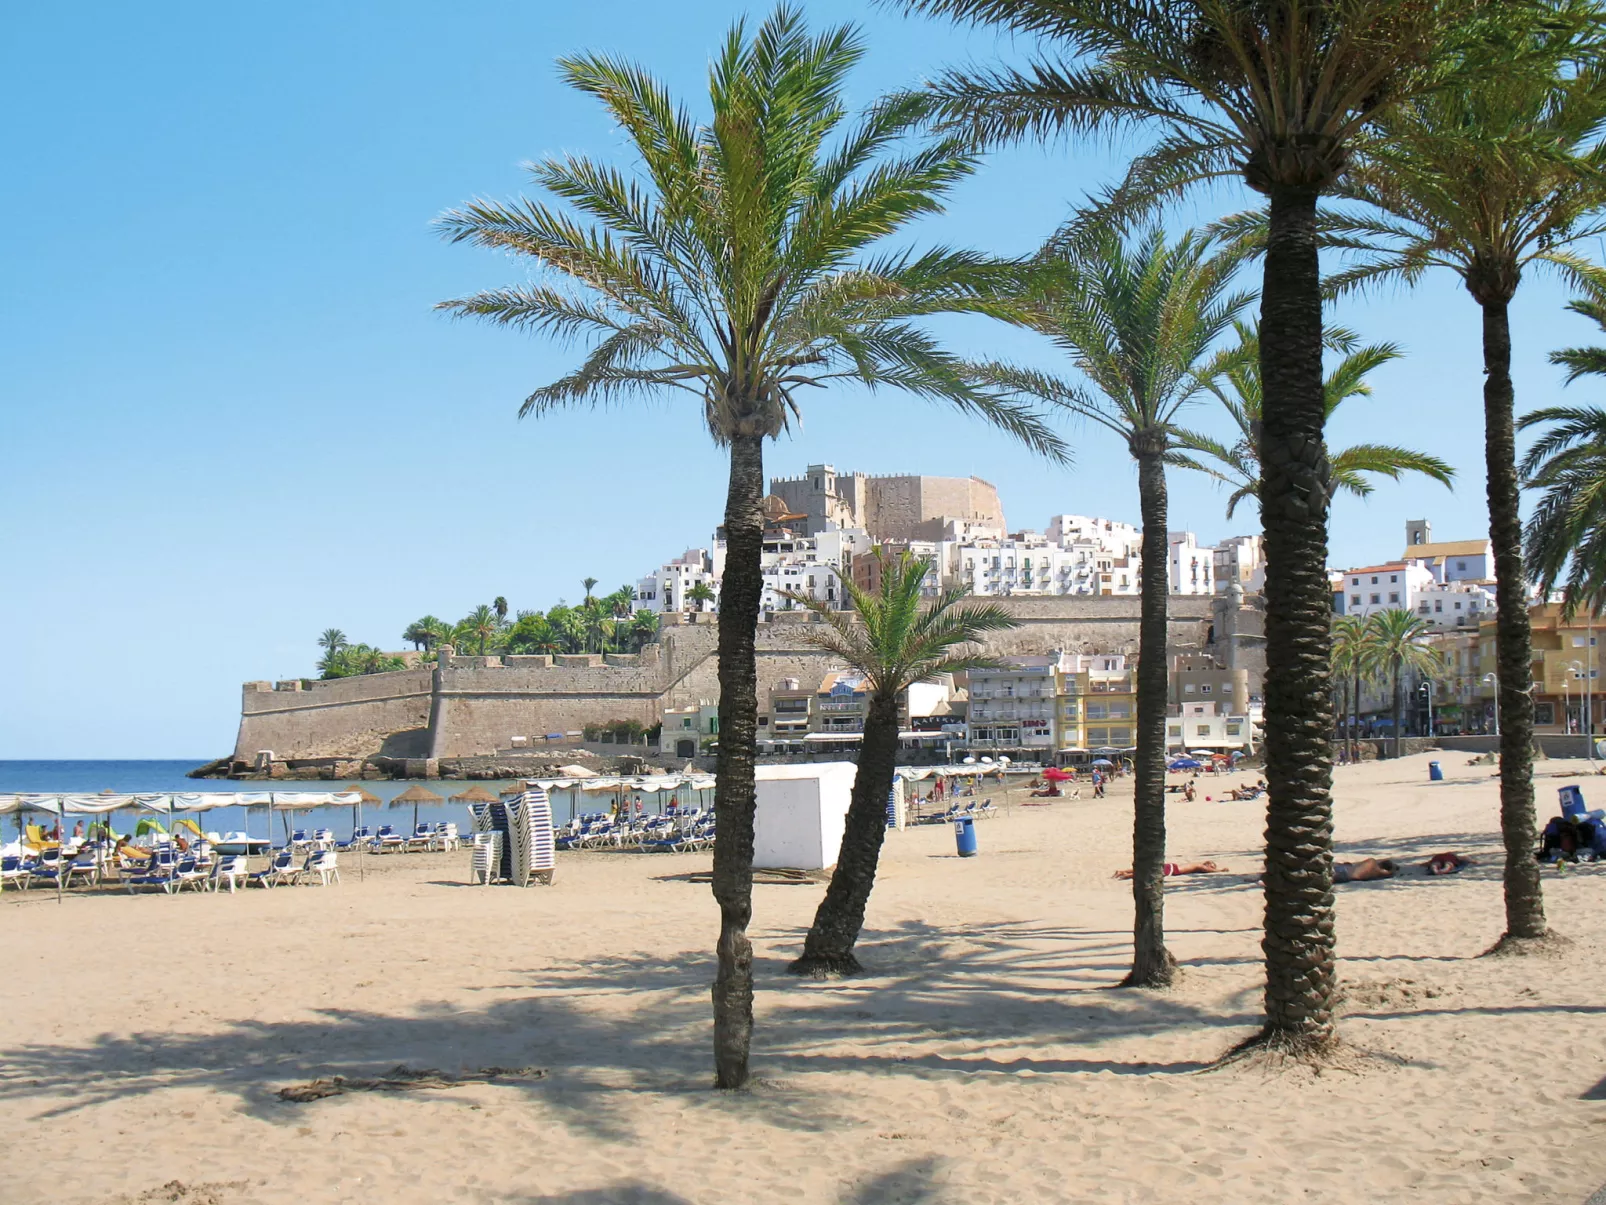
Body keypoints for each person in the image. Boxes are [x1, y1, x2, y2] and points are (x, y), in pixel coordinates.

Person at [1114, 860, 1225, 879]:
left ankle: (1123, 871)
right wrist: (1220, 870)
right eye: (1212, 866)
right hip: (1173, 870)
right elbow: (1208, 870)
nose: (1211, 868)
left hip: (1172, 866)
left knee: (1147, 869)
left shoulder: (1196, 865)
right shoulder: (1199, 866)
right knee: (1149, 873)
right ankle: (1125, 874)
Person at [1332, 857, 1397, 884]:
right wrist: (1394, 869)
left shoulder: (1371, 861)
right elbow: (1389, 873)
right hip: (1346, 874)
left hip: (1343, 869)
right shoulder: (1376, 871)